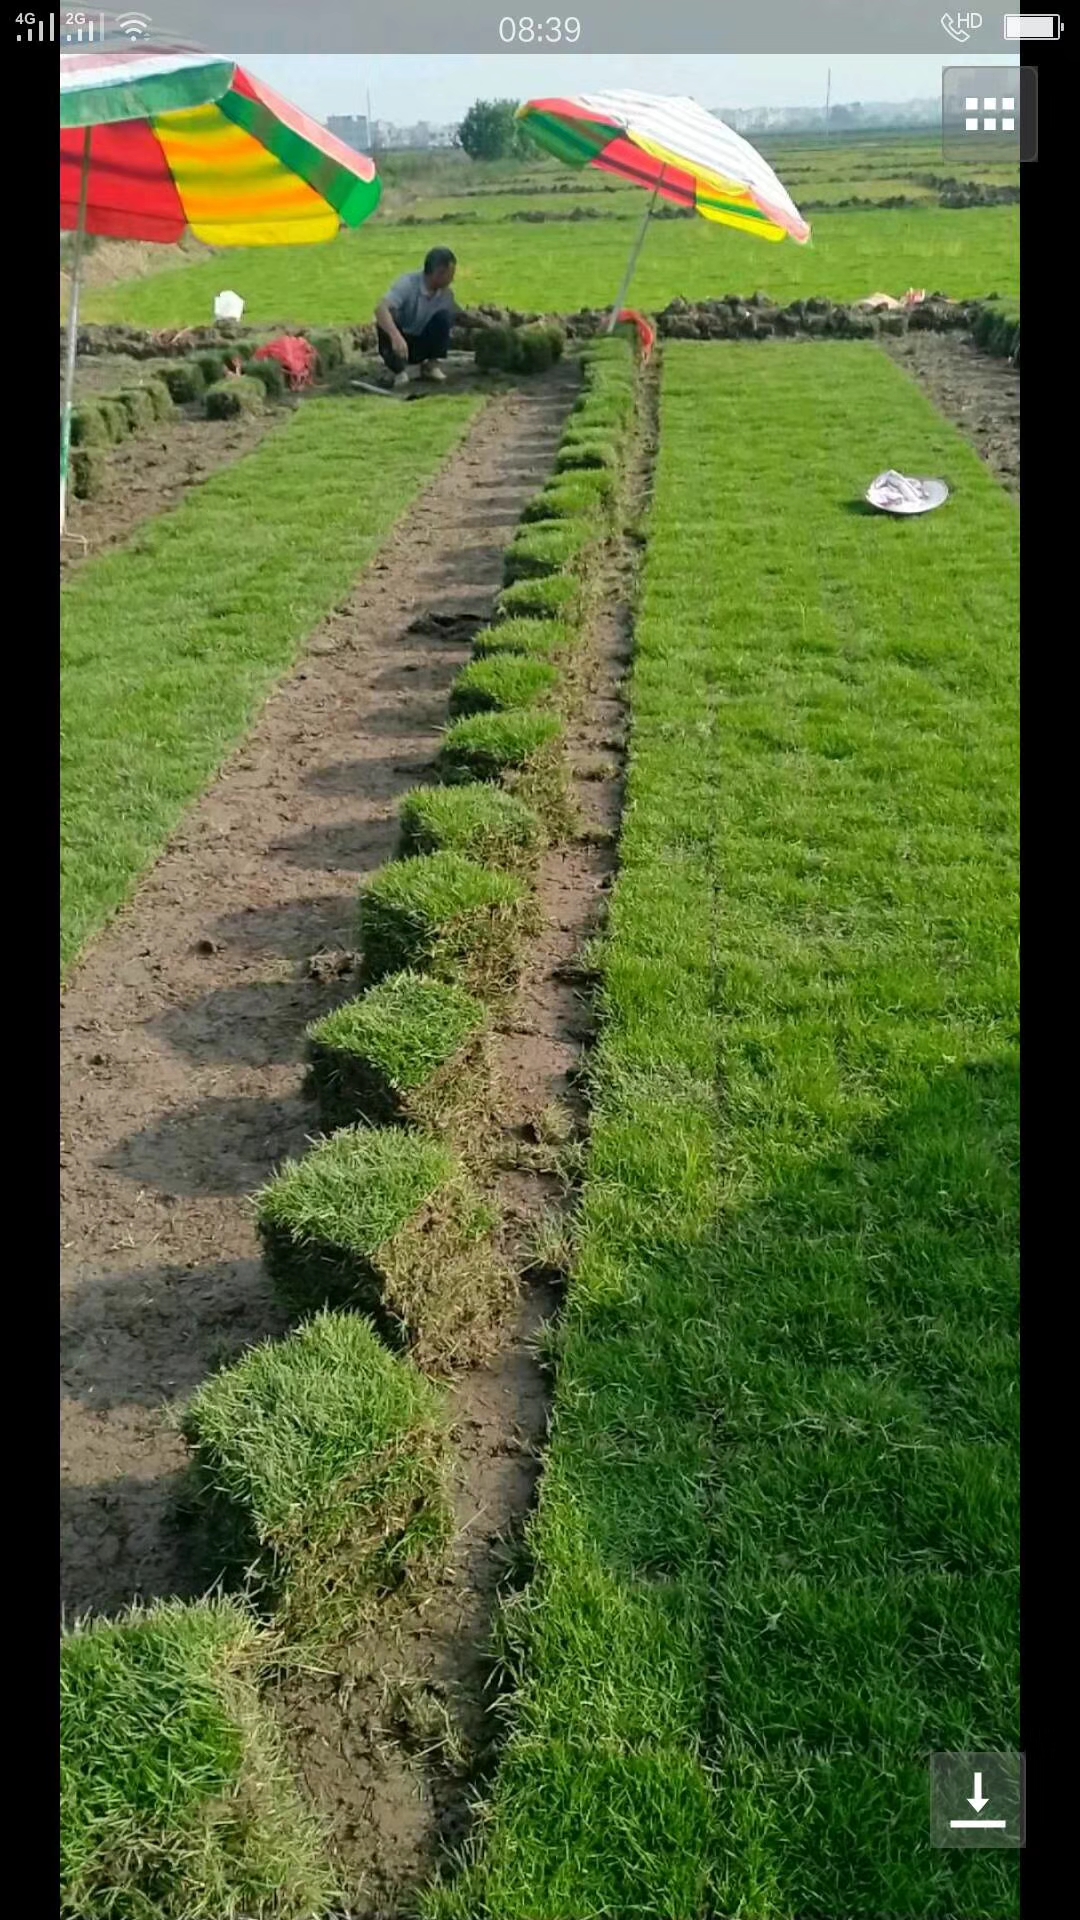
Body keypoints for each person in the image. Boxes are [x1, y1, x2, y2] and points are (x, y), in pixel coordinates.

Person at [374, 247, 458, 389]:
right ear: (438, 273)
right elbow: (380, 309)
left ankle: (431, 366)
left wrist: (486, 324)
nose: (452, 279)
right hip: (399, 344)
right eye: (450, 274)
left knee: (444, 317)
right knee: (388, 318)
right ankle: (399, 370)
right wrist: (396, 337)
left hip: (420, 342)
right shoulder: (407, 284)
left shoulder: (445, 294)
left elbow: (458, 315)